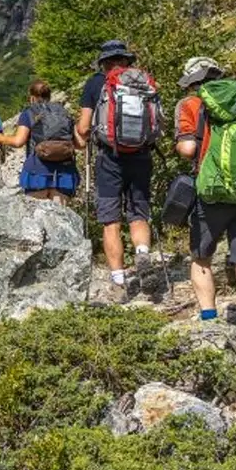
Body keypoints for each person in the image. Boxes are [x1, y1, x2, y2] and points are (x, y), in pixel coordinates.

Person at [175, 55, 236, 359]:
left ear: (192, 82)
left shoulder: (192, 104)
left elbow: (189, 148)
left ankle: (209, 322)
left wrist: (181, 145)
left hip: (212, 193)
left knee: (201, 257)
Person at [77, 39, 157, 301]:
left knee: (111, 220)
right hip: (142, 155)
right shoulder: (143, 81)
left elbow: (84, 128)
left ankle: (119, 283)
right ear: (126, 60)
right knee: (138, 213)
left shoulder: (95, 84)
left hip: (110, 157)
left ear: (104, 62)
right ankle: (143, 253)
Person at [0, 79, 83, 202]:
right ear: (49, 95)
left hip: (38, 172)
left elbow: (18, 141)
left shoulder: (29, 113)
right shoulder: (63, 112)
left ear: (32, 98)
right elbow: (80, 144)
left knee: (37, 216)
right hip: (64, 174)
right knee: (59, 217)